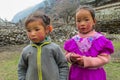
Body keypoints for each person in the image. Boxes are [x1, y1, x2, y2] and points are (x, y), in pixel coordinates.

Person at [64, 5, 114, 80]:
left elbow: (104, 58)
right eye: (78, 20)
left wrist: (86, 61)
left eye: (86, 20)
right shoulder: (73, 40)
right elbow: (66, 55)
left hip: (94, 76)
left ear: (94, 21)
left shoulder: (100, 39)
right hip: (76, 75)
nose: (82, 23)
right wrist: (71, 57)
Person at [18, 12, 69, 80]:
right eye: (29, 30)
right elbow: (22, 68)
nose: (32, 34)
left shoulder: (54, 48)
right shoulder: (26, 51)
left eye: (37, 29)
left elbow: (63, 66)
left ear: (47, 29)